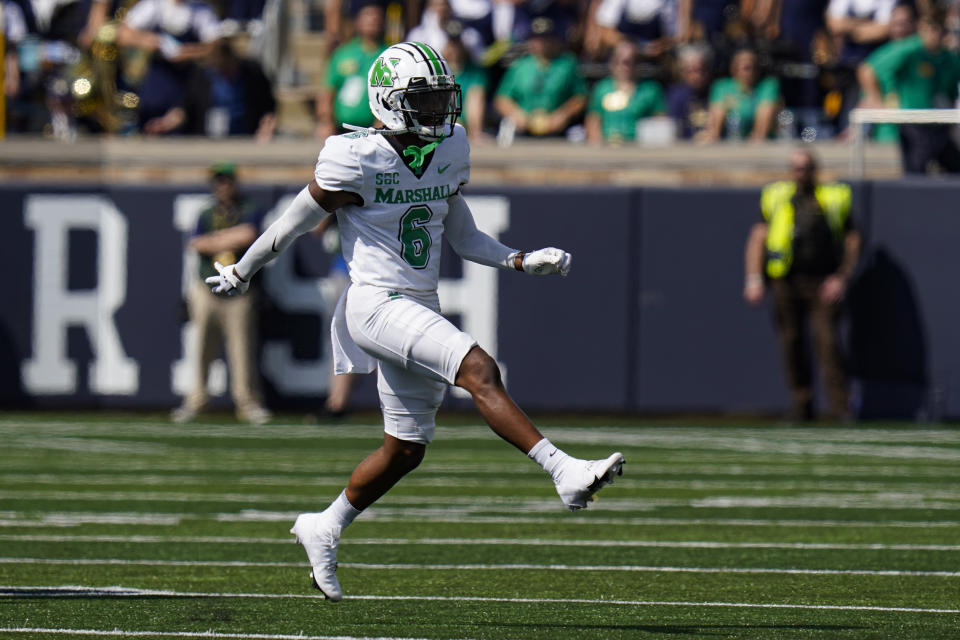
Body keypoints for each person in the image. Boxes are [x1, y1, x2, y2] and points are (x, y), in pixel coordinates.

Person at [205, 41, 624, 601]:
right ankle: (561, 470)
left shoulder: (449, 144)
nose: (436, 113)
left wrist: (519, 260)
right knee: (479, 368)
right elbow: (293, 222)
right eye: (422, 101)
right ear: (387, 102)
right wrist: (244, 269)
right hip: (374, 303)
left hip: (418, 304)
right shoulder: (354, 156)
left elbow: (465, 236)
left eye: (438, 100)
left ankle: (324, 525)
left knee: (406, 449)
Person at [743, 148, 861, 421]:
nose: (801, 173)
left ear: (814, 170)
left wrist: (842, 276)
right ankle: (801, 404)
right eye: (796, 168)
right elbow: (758, 237)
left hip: (822, 280)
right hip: (785, 280)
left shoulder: (833, 197)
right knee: (791, 342)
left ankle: (840, 408)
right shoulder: (776, 196)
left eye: (806, 168)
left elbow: (853, 238)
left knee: (828, 343)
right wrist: (753, 277)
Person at [172, 162, 272, 425]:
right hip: (207, 288)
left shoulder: (249, 208)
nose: (222, 187)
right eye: (218, 182)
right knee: (202, 347)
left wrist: (217, 239)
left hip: (240, 289)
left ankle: (247, 402)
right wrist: (229, 237)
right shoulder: (207, 212)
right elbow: (196, 243)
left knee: (242, 348)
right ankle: (196, 400)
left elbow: (248, 236)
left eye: (226, 181)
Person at [858, 8, 960, 174]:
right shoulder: (909, 48)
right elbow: (868, 69)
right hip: (912, 121)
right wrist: (877, 100)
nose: (933, 34)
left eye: (938, 29)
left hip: (938, 122)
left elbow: (950, 92)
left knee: (953, 165)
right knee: (916, 167)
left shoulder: (950, 59)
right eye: (929, 29)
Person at [117, 0, 222, 135]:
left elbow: (216, 46)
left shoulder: (200, 10)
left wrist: (186, 53)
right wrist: (150, 41)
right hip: (157, 86)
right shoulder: (154, 6)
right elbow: (122, 34)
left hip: (187, 89)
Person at [493, 16, 587, 138]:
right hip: (523, 129)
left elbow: (581, 97)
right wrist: (516, 115)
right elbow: (502, 98)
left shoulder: (567, 64)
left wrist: (563, 114)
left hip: (558, 131)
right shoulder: (521, 66)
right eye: (537, 39)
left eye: (546, 38)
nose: (541, 43)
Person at [315, 2, 385, 141]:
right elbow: (327, 90)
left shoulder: (389, 55)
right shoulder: (342, 54)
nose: (373, 20)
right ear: (357, 20)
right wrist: (326, 121)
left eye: (376, 15)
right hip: (341, 129)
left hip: (375, 132)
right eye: (367, 14)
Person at [585, 40, 667, 144]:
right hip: (607, 146)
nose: (626, 67)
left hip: (640, 148)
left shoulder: (650, 89)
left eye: (631, 61)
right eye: (621, 61)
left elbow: (660, 122)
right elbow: (593, 122)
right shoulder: (602, 89)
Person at [702, 46, 780, 142]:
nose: (751, 72)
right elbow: (715, 123)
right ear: (734, 69)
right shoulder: (721, 87)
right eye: (746, 68)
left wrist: (756, 141)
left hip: (761, 144)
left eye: (755, 67)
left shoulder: (768, 85)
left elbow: (764, 119)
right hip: (730, 143)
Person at [666, 41, 712, 139]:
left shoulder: (715, 92)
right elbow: (674, 130)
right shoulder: (677, 96)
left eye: (699, 70)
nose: (696, 76)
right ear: (683, 72)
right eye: (690, 71)